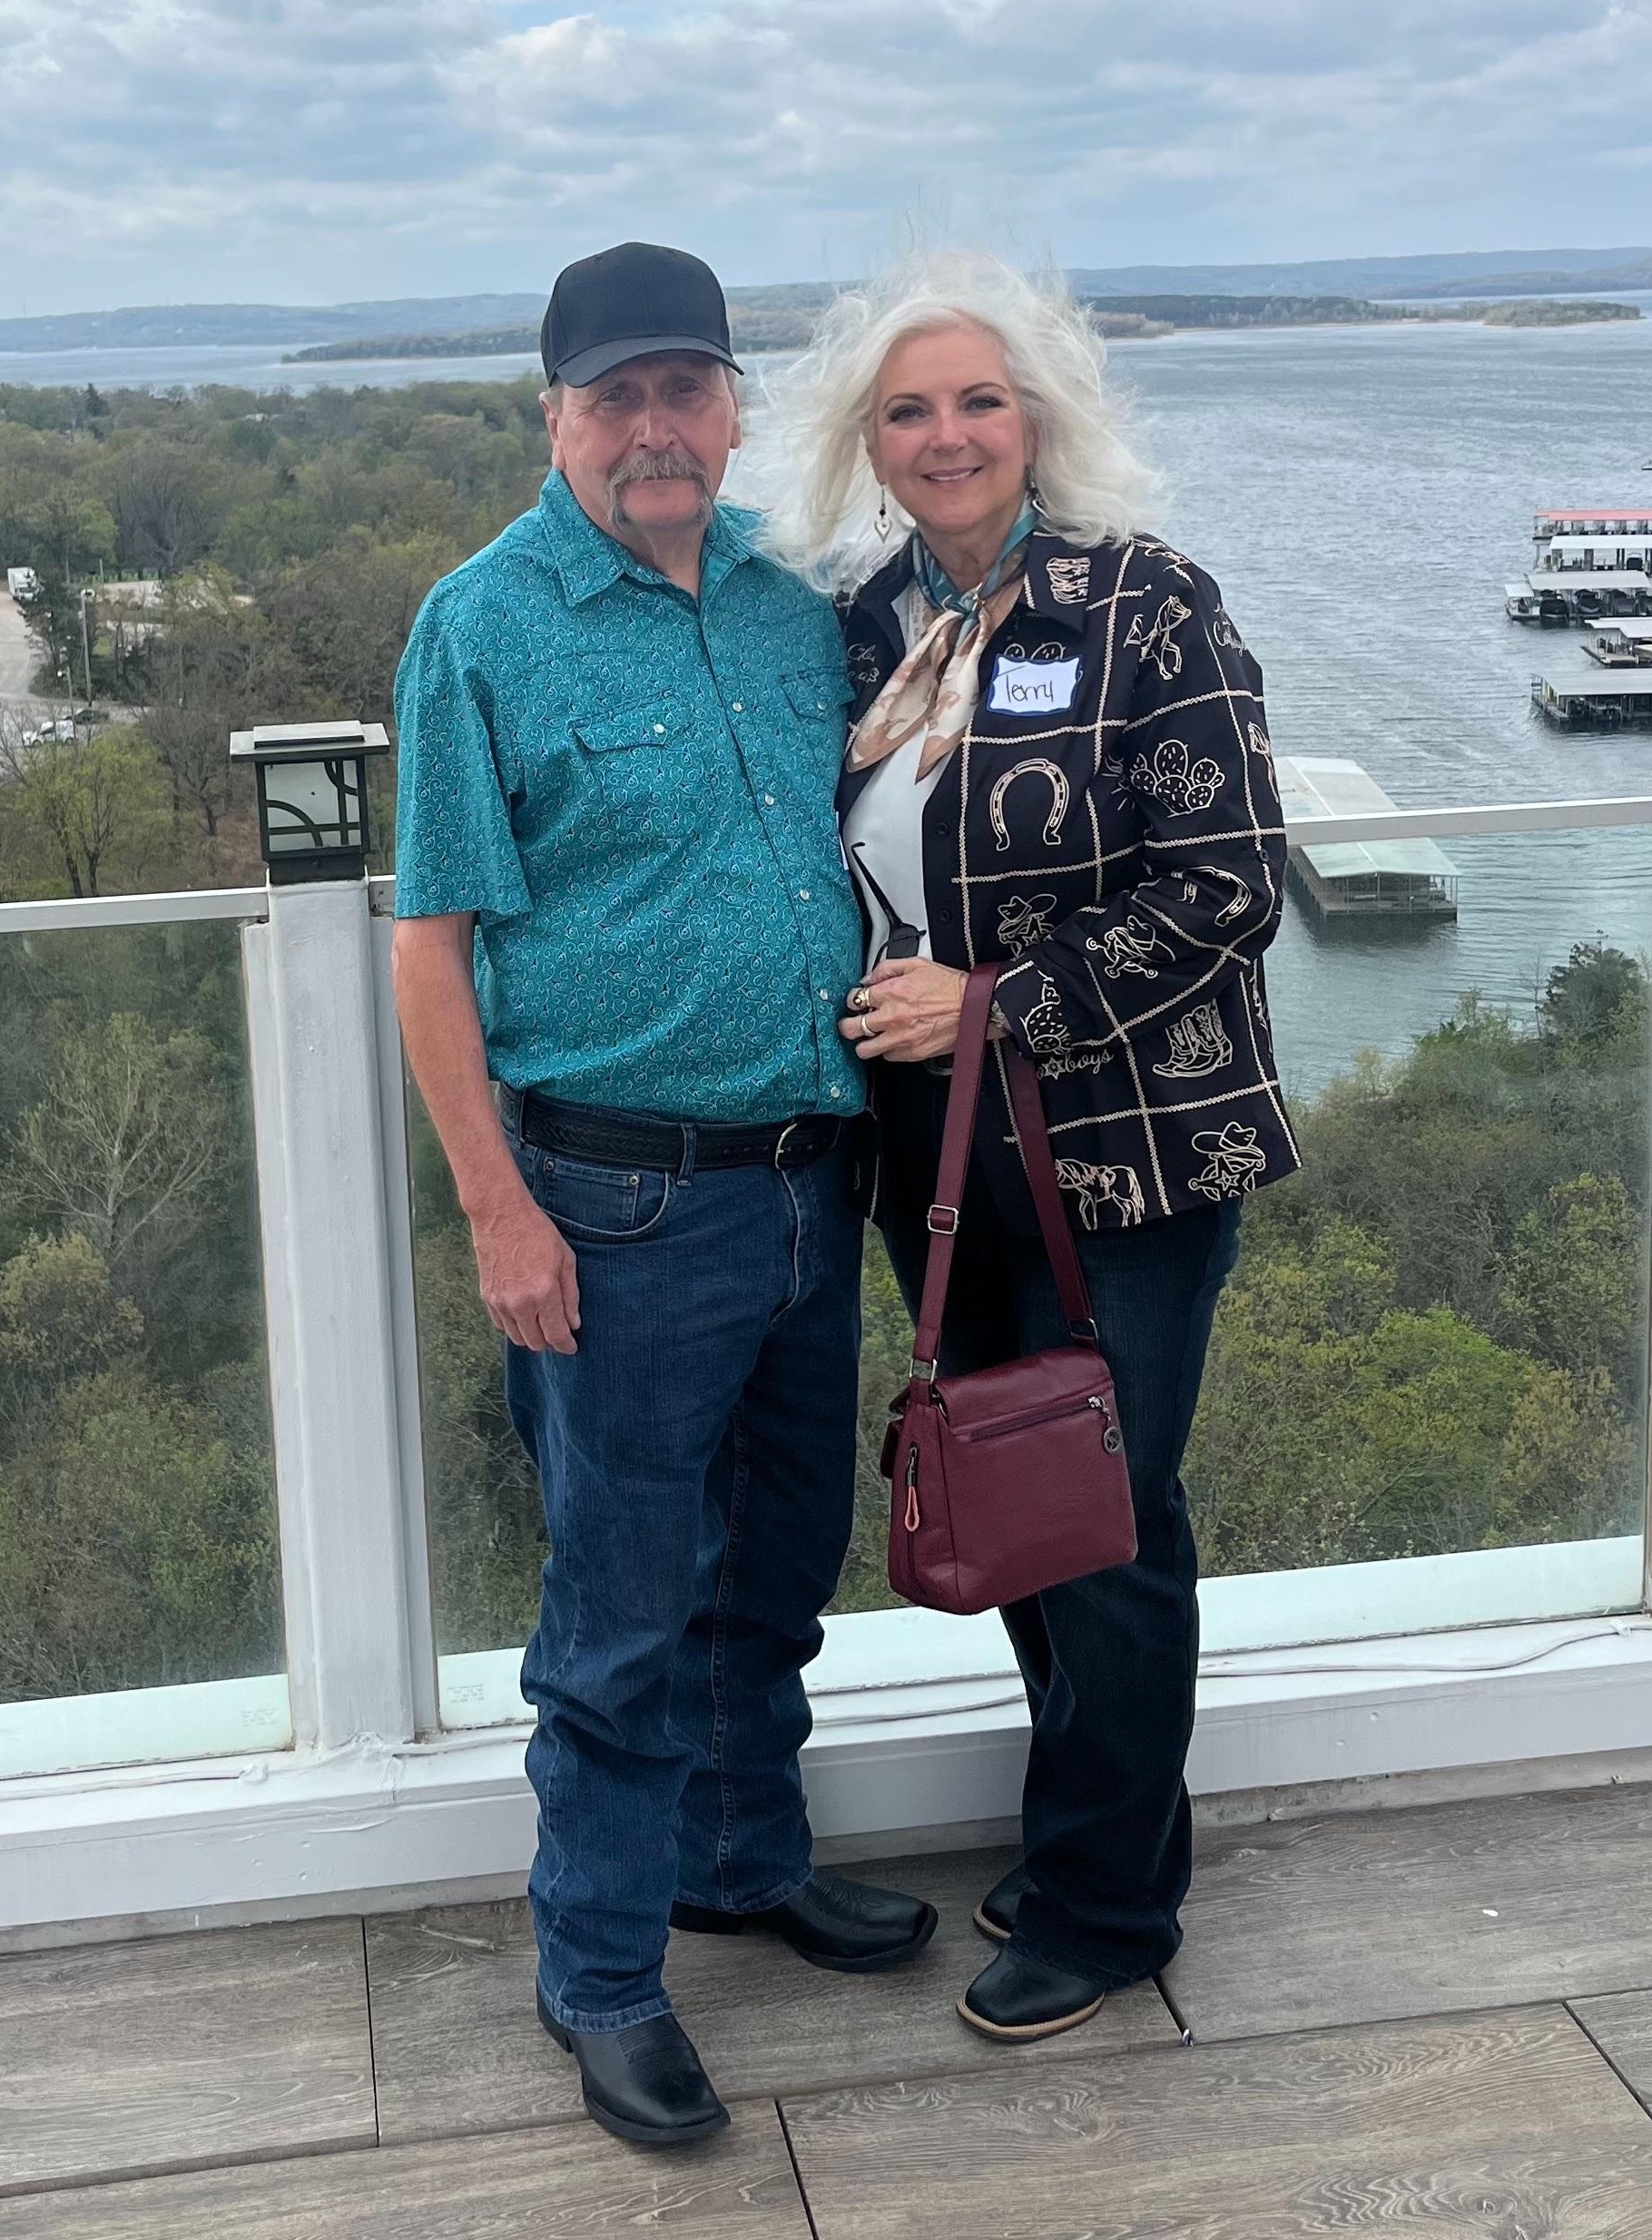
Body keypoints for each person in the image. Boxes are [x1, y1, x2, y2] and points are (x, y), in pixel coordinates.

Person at [391, 241, 936, 2154]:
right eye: (612, 396)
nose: (653, 427)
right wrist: (494, 1209)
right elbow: (432, 949)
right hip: (614, 1208)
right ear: (554, 417)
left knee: (775, 1573)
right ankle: (603, 1969)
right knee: (621, 1617)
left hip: (810, 1183)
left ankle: (739, 1856)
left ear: (727, 401)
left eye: (682, 388)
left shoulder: (793, 606)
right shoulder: (484, 624)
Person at [771, 249, 1295, 2044]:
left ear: (1040, 418)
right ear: (870, 440)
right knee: (1013, 1484)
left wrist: (1000, 1002)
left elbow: (1227, 887)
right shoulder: (862, 628)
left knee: (1109, 1516)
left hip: (1121, 1147)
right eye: (908, 409)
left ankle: (1108, 1899)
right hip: (929, 1148)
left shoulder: (1144, 607)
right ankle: (1110, 1821)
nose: (947, 435)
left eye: (979, 399)